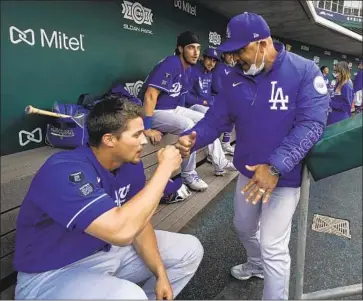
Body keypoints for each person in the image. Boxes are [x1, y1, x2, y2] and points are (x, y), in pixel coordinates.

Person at [176, 12, 330, 300]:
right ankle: (256, 265)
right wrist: (193, 137)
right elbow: (215, 120)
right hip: (248, 173)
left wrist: (274, 167)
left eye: (241, 50)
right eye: (232, 52)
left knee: (273, 245)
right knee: (244, 227)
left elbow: (312, 125)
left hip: (283, 178)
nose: (236, 58)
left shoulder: (304, 71)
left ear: (262, 43)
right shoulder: (234, 78)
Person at [13, 95, 203, 300]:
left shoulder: (129, 164)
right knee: (129, 296)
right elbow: (121, 232)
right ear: (109, 139)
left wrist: (161, 273)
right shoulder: (64, 170)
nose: (144, 141)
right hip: (50, 274)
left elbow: (138, 224)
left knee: (189, 250)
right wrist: (164, 169)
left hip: (103, 252)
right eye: (137, 134)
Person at [138, 31, 235, 189]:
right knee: (188, 125)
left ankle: (220, 162)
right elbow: (150, 95)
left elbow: (181, 100)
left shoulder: (188, 68)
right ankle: (188, 174)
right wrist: (148, 128)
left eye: (198, 48)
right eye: (191, 47)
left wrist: (171, 123)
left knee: (208, 120)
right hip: (152, 111)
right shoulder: (171, 63)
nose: (196, 52)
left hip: (172, 110)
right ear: (180, 48)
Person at [185, 47, 235, 155]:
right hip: (191, 107)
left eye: (214, 61)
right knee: (210, 119)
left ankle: (219, 153)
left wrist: (209, 101)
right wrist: (203, 102)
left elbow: (208, 96)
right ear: (203, 58)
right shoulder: (193, 71)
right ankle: (218, 157)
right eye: (209, 59)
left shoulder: (209, 73)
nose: (211, 63)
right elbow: (186, 97)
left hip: (203, 106)